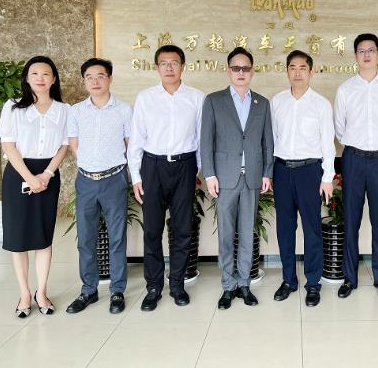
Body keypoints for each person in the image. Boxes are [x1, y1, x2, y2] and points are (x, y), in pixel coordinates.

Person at [128, 44, 205, 311]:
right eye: (164, 63)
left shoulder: (197, 98)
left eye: (174, 63)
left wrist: (196, 170)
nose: (169, 68)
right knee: (152, 229)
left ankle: (177, 284)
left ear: (183, 66)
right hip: (153, 166)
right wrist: (136, 177)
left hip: (184, 166)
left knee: (182, 229)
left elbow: (201, 138)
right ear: (157, 67)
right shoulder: (145, 98)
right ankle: (153, 286)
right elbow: (137, 139)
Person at [201, 47, 274, 310]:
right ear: (228, 70)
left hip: (252, 177)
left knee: (247, 232)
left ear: (252, 72)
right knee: (226, 233)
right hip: (225, 178)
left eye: (245, 68)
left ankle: (244, 284)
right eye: (236, 68)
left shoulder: (262, 103)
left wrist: (267, 172)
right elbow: (206, 141)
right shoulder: (213, 100)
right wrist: (209, 174)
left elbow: (267, 142)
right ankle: (227, 285)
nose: (241, 73)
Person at [0, 55, 69, 317]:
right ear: (27, 78)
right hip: (19, 173)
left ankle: (42, 292)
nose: (40, 78)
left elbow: (64, 145)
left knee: (43, 235)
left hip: (48, 174)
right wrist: (29, 177)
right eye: (35, 73)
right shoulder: (13, 107)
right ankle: (25, 294)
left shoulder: (64, 110)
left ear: (54, 79)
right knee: (18, 238)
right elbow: (8, 145)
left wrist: (47, 174)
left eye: (46, 73)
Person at [334, 33, 378, 302]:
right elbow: (340, 129)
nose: (366, 55)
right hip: (353, 159)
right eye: (361, 51)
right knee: (350, 220)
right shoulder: (345, 89)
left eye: (371, 50)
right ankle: (349, 278)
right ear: (355, 56)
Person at [66, 58, 133, 315]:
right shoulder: (76, 111)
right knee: (86, 239)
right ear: (84, 81)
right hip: (86, 181)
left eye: (100, 76)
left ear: (110, 79)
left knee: (117, 238)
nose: (95, 81)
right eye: (89, 77)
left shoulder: (124, 109)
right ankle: (88, 290)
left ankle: (117, 290)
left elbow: (130, 145)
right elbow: (74, 145)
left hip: (114, 179)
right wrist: (90, 166)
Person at [271, 50, 335, 307]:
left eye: (302, 68)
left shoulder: (321, 104)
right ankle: (288, 280)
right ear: (287, 70)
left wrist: (327, 177)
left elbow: (328, 143)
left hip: (310, 172)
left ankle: (313, 283)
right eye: (292, 67)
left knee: (312, 229)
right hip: (282, 171)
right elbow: (271, 140)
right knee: (285, 228)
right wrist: (269, 173)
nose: (297, 73)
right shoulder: (277, 102)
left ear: (311, 71)